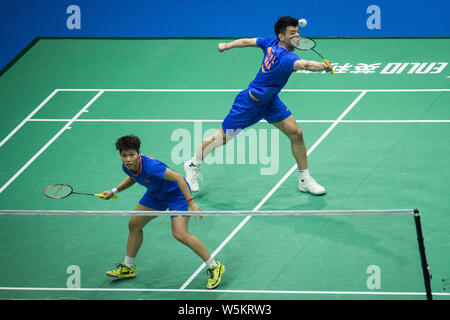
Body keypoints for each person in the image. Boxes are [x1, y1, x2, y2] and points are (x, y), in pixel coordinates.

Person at [184, 16, 332, 195]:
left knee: (296, 134)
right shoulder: (286, 57)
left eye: (298, 33)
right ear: (281, 37)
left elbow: (247, 41)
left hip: (270, 102)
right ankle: (193, 164)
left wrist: (227, 45)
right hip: (248, 104)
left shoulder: (270, 42)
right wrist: (323, 67)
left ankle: (304, 179)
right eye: (292, 33)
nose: (297, 37)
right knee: (221, 138)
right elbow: (305, 65)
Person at [102, 135, 225, 289]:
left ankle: (214, 266)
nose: (128, 159)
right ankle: (128, 267)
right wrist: (115, 190)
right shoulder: (127, 166)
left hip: (176, 194)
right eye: (124, 155)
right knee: (134, 224)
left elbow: (180, 178)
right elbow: (133, 177)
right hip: (155, 194)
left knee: (180, 234)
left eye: (132, 155)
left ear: (139, 153)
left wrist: (191, 203)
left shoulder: (152, 167)